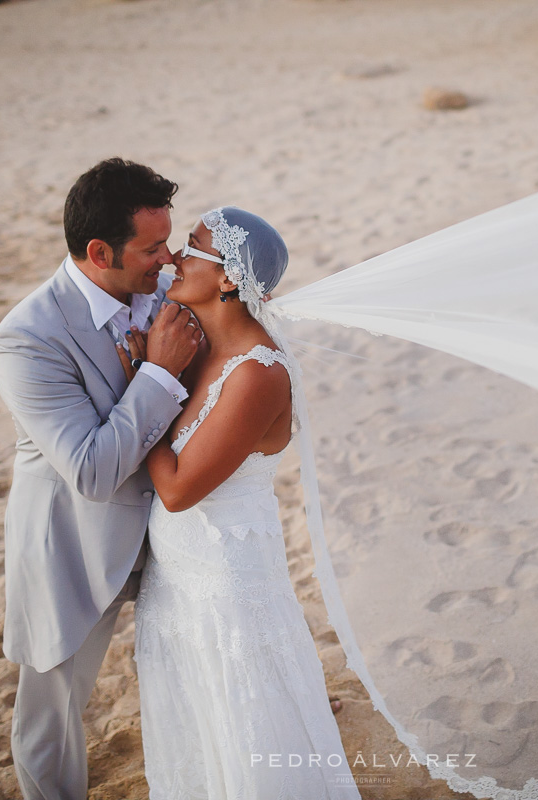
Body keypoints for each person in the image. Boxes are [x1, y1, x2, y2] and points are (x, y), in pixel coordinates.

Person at [119, 207, 361, 799]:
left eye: (193, 247)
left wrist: (146, 384)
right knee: (198, 720)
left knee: (246, 719)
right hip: (178, 572)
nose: (174, 257)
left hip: (228, 581)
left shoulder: (257, 372)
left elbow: (177, 490)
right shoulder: (195, 347)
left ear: (228, 277)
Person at [0, 158, 203, 800]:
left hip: (176, 537)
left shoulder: (161, 293)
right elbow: (90, 469)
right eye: (151, 247)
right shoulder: (28, 339)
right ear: (98, 250)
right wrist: (159, 376)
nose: (167, 260)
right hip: (74, 547)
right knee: (49, 719)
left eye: (168, 241)